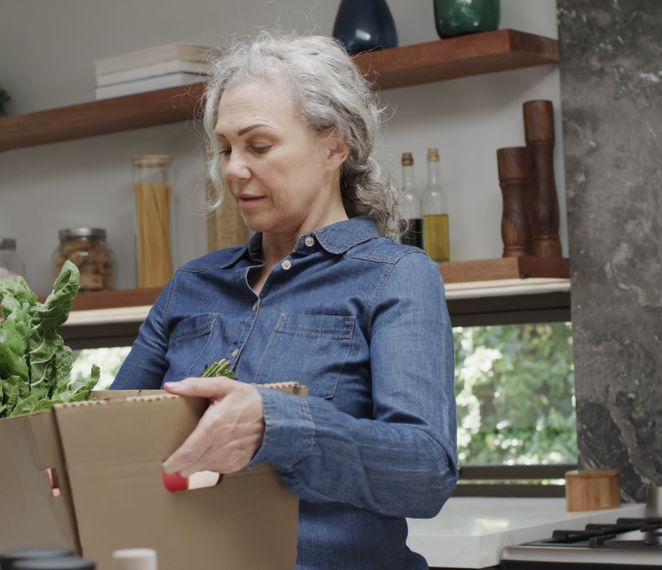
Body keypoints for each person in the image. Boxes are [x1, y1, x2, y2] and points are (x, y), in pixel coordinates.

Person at [110, 32, 457, 569]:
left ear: (333, 146)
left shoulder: (396, 277)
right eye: (225, 148)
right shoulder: (191, 286)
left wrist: (277, 422)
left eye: (259, 145)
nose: (232, 169)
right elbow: (108, 442)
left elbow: (426, 473)